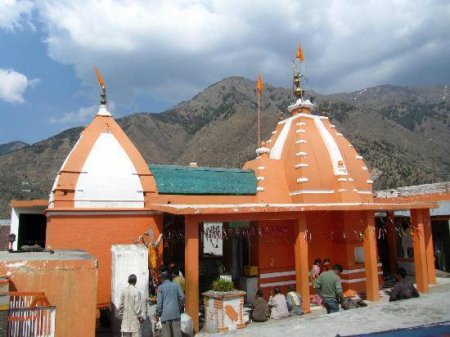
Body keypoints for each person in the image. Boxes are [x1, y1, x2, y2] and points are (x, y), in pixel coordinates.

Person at [156, 271, 185, 337]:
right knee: (177, 334)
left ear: (162, 279)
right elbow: (183, 297)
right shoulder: (176, 285)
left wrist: (158, 312)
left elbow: (159, 303)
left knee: (167, 335)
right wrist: (180, 306)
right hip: (175, 314)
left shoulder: (160, 287)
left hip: (165, 314)